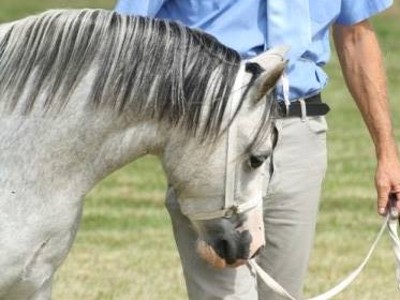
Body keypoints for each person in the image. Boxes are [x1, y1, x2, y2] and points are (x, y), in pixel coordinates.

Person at [115, 1, 400, 299]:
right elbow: (126, 37)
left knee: (283, 294)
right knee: (225, 293)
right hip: (216, 134)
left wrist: (387, 152)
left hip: (300, 133)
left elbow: (356, 35)